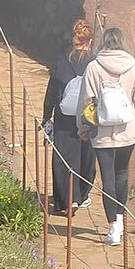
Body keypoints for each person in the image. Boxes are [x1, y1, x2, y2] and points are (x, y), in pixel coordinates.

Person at [81, 26, 135, 245]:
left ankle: (112, 229)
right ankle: (119, 221)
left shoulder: (93, 67)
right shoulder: (133, 67)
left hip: (102, 132)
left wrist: (82, 128)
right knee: (122, 175)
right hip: (127, 131)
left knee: (107, 178)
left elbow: (85, 102)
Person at [41, 19, 95, 216]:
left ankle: (66, 200)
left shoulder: (61, 60)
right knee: (86, 155)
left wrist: (47, 117)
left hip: (64, 115)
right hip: (88, 115)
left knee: (63, 156)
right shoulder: (94, 62)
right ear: (90, 41)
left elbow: (52, 91)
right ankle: (81, 195)